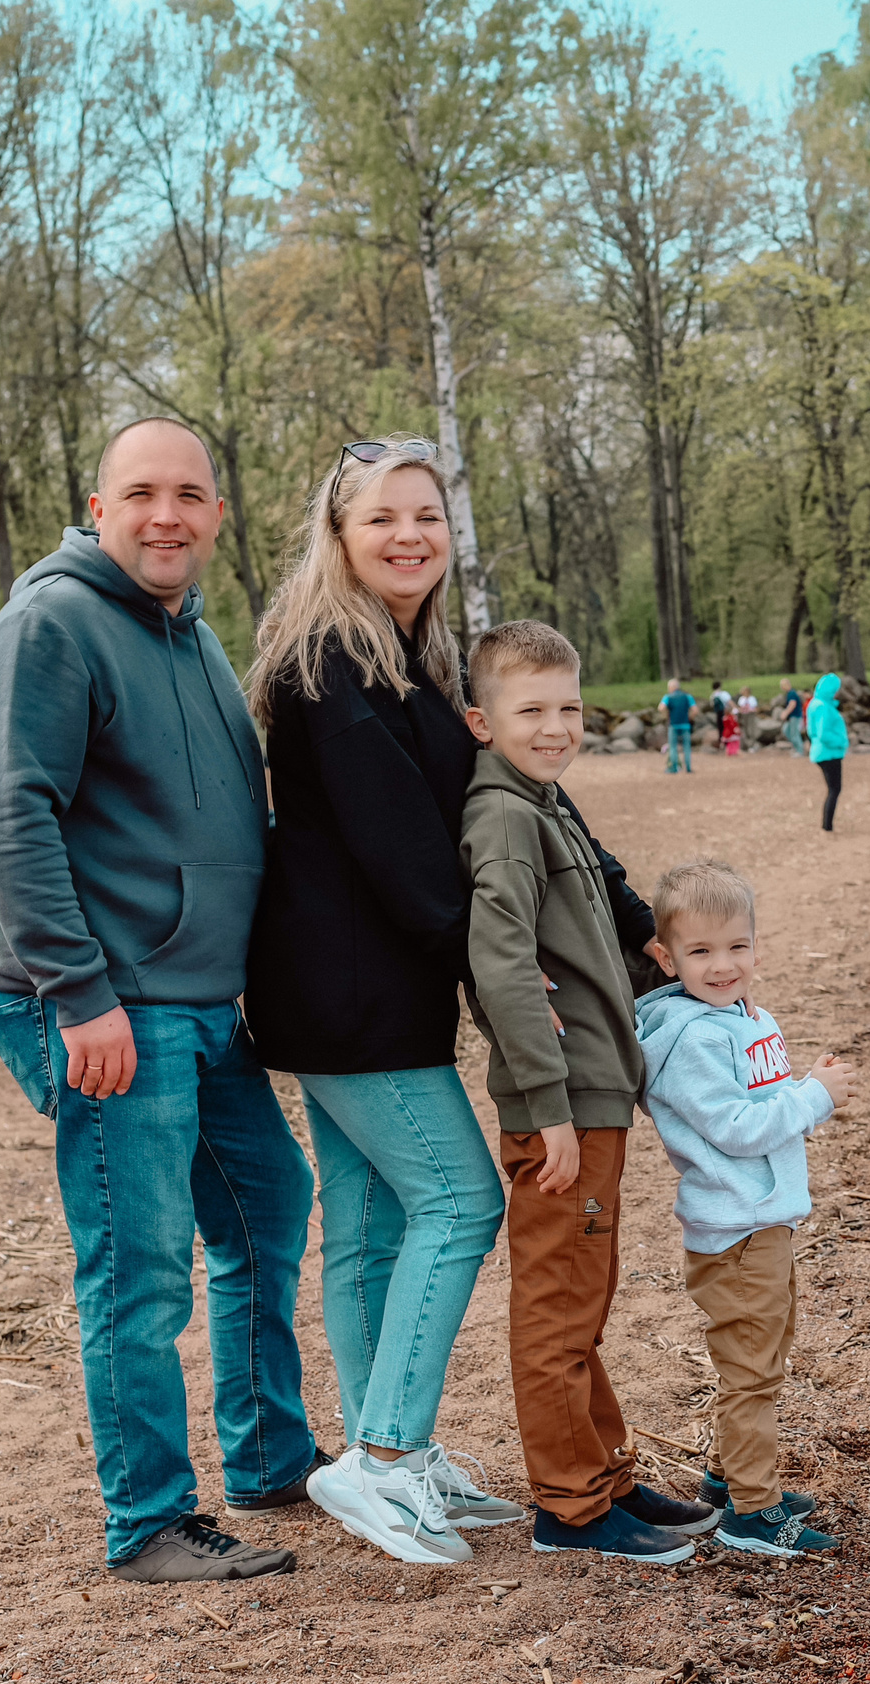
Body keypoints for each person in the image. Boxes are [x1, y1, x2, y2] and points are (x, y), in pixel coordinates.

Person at [0, 417, 314, 1584]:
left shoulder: (195, 639)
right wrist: (79, 996)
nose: (167, 514)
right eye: (143, 493)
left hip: (202, 1006)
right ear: (99, 506)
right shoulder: (51, 625)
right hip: (109, 1007)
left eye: (190, 494)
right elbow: (12, 815)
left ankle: (268, 1457)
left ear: (218, 513)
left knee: (267, 1206)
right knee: (139, 1264)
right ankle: (150, 1522)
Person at [241, 435, 527, 1568]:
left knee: (368, 1229)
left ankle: (380, 1455)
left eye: (428, 517)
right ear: (340, 536)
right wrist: (502, 976)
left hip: (367, 987)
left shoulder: (412, 660)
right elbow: (406, 851)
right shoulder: (329, 658)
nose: (410, 535)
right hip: (347, 988)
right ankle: (388, 1459)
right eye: (383, 519)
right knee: (460, 1201)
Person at [460, 619, 718, 1564]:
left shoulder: (546, 801)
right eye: (530, 709)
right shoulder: (504, 819)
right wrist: (550, 1109)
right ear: (480, 722)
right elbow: (500, 963)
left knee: (586, 1295)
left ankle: (605, 1473)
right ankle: (569, 1507)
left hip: (596, 1097)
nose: (556, 723)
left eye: (568, 705)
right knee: (557, 1306)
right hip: (561, 1110)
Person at [635, 861, 854, 1557]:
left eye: (736, 946)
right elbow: (737, 1126)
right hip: (734, 1229)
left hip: (765, 1219)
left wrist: (798, 1092)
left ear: (757, 946)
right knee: (751, 1370)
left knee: (769, 1348)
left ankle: (730, 1480)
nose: (723, 964)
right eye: (700, 951)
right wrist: (815, 1094)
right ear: (667, 958)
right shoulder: (693, 1038)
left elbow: (764, 1109)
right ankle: (752, 1514)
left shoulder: (744, 1017)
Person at [805, 673, 846, 832]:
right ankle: (827, 825)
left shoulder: (815, 704)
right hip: (829, 753)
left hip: (822, 751)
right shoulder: (823, 707)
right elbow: (823, 734)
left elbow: (811, 731)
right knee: (835, 789)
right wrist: (841, 742)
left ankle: (827, 825)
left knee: (833, 789)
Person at [659, 678, 695, 774]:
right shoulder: (687, 696)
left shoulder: (668, 697)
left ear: (672, 687)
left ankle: (674, 768)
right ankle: (688, 767)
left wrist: (667, 713)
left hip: (673, 724)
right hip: (685, 724)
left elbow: (661, 708)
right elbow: (695, 710)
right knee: (687, 747)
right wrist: (690, 717)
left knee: (673, 747)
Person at [775, 678, 806, 757]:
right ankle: (796, 747)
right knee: (786, 730)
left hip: (795, 716)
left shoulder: (792, 693)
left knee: (794, 733)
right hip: (791, 717)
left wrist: (785, 713)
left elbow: (792, 704)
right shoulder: (789, 693)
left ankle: (800, 750)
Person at [705, 681, 731, 752]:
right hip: (724, 713)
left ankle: (721, 742)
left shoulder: (713, 695)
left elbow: (712, 705)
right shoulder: (723, 694)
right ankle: (727, 743)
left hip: (717, 713)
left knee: (720, 728)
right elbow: (729, 702)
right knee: (726, 727)